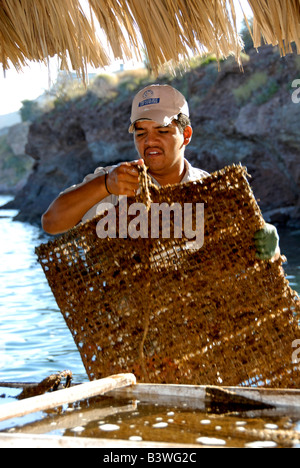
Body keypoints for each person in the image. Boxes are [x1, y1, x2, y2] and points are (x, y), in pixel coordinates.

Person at [41, 84, 280, 260]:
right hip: (127, 326)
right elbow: (51, 223)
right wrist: (104, 185)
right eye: (141, 132)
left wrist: (270, 247)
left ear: (186, 135)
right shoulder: (115, 183)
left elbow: (251, 254)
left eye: (162, 131)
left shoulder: (212, 192)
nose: (150, 141)